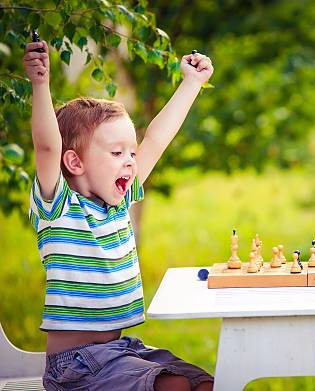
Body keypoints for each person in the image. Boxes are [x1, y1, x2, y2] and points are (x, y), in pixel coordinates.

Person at [24, 36, 215, 391]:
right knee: (174, 387)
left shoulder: (119, 202)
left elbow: (157, 139)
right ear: (75, 161)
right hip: (75, 369)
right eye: (116, 153)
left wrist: (191, 83)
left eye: (131, 152)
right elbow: (47, 145)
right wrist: (40, 84)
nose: (130, 159)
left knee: (204, 383)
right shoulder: (59, 207)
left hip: (119, 350)